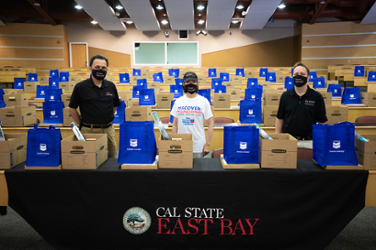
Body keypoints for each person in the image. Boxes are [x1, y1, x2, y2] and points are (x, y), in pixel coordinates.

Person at [69, 54, 120, 158]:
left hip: (108, 129)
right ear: (90, 68)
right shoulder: (81, 87)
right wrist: (82, 124)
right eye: (97, 67)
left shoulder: (111, 86)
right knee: (90, 160)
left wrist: (107, 118)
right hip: (88, 130)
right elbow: (72, 108)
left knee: (112, 159)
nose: (100, 70)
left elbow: (114, 106)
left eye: (103, 68)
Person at [275, 62, 327, 149]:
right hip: (288, 141)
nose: (299, 76)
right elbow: (280, 118)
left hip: (309, 142)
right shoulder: (285, 96)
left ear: (308, 77)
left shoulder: (316, 97)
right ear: (292, 77)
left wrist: (321, 141)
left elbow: (322, 121)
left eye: (302, 74)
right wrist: (277, 138)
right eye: (296, 74)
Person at [171, 72, 214, 158]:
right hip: (181, 144)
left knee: (197, 170)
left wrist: (207, 144)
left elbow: (211, 124)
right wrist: (174, 142)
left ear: (197, 83)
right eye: (188, 82)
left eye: (193, 82)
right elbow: (175, 125)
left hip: (198, 145)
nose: (191, 84)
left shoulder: (204, 101)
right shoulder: (178, 101)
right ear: (183, 84)